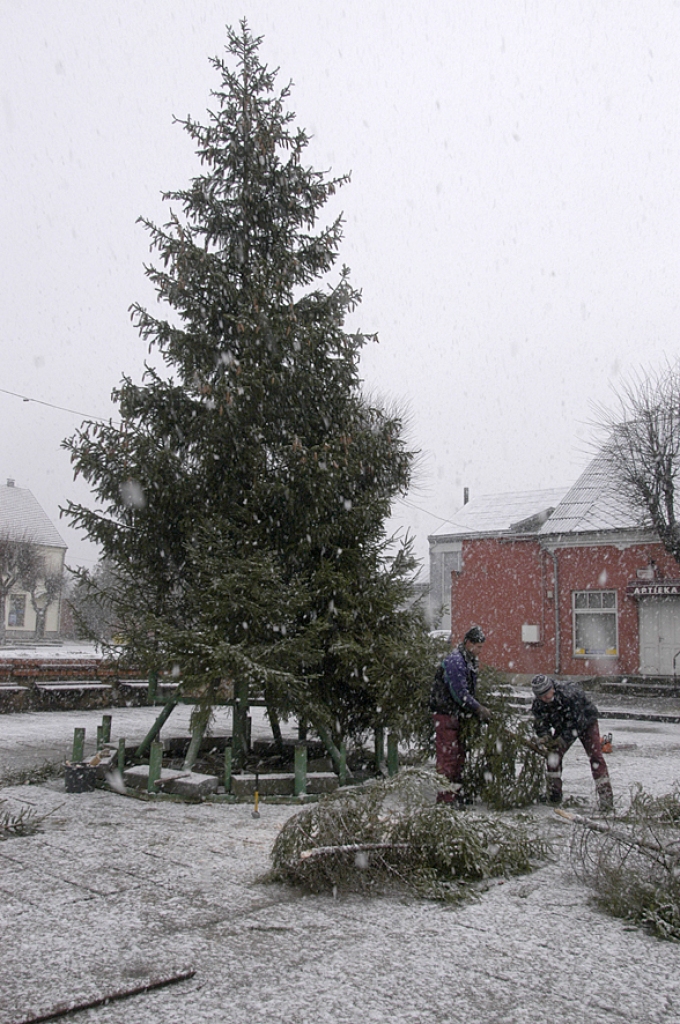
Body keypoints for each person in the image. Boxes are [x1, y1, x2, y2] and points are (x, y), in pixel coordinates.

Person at [530, 674, 613, 811]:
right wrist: (545, 735)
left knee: (595, 757)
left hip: (586, 722)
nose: (546, 698)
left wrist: (564, 739)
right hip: (564, 726)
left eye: (547, 694)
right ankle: (554, 795)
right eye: (542, 697)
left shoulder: (570, 695)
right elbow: (540, 722)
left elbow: (577, 722)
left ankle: (606, 799)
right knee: (553, 757)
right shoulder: (539, 704)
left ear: (552, 688)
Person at [432, 625, 492, 804]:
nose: (480, 651)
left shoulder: (469, 660)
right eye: (478, 647)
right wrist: (477, 708)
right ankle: (445, 799)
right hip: (445, 713)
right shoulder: (455, 661)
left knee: (459, 757)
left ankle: (456, 794)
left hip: (457, 714)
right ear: (468, 643)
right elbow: (460, 692)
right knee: (448, 758)